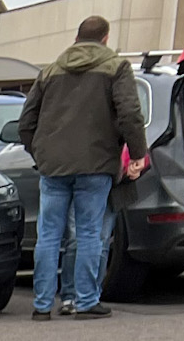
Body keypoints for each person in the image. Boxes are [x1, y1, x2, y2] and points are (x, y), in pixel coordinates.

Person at [17, 16, 149, 319]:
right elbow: (130, 114)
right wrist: (138, 153)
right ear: (105, 38)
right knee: (89, 232)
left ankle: (41, 305)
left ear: (77, 38)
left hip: (53, 166)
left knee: (49, 235)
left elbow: (26, 123)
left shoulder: (50, 71)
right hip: (96, 163)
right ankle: (86, 301)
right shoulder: (117, 67)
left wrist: (40, 153)